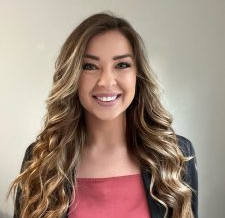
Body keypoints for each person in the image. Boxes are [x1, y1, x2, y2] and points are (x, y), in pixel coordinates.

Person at [8, 12, 198, 218]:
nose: (106, 81)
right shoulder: (42, 160)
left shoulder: (175, 156)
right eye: (89, 66)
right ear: (72, 76)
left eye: (122, 65)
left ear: (138, 74)